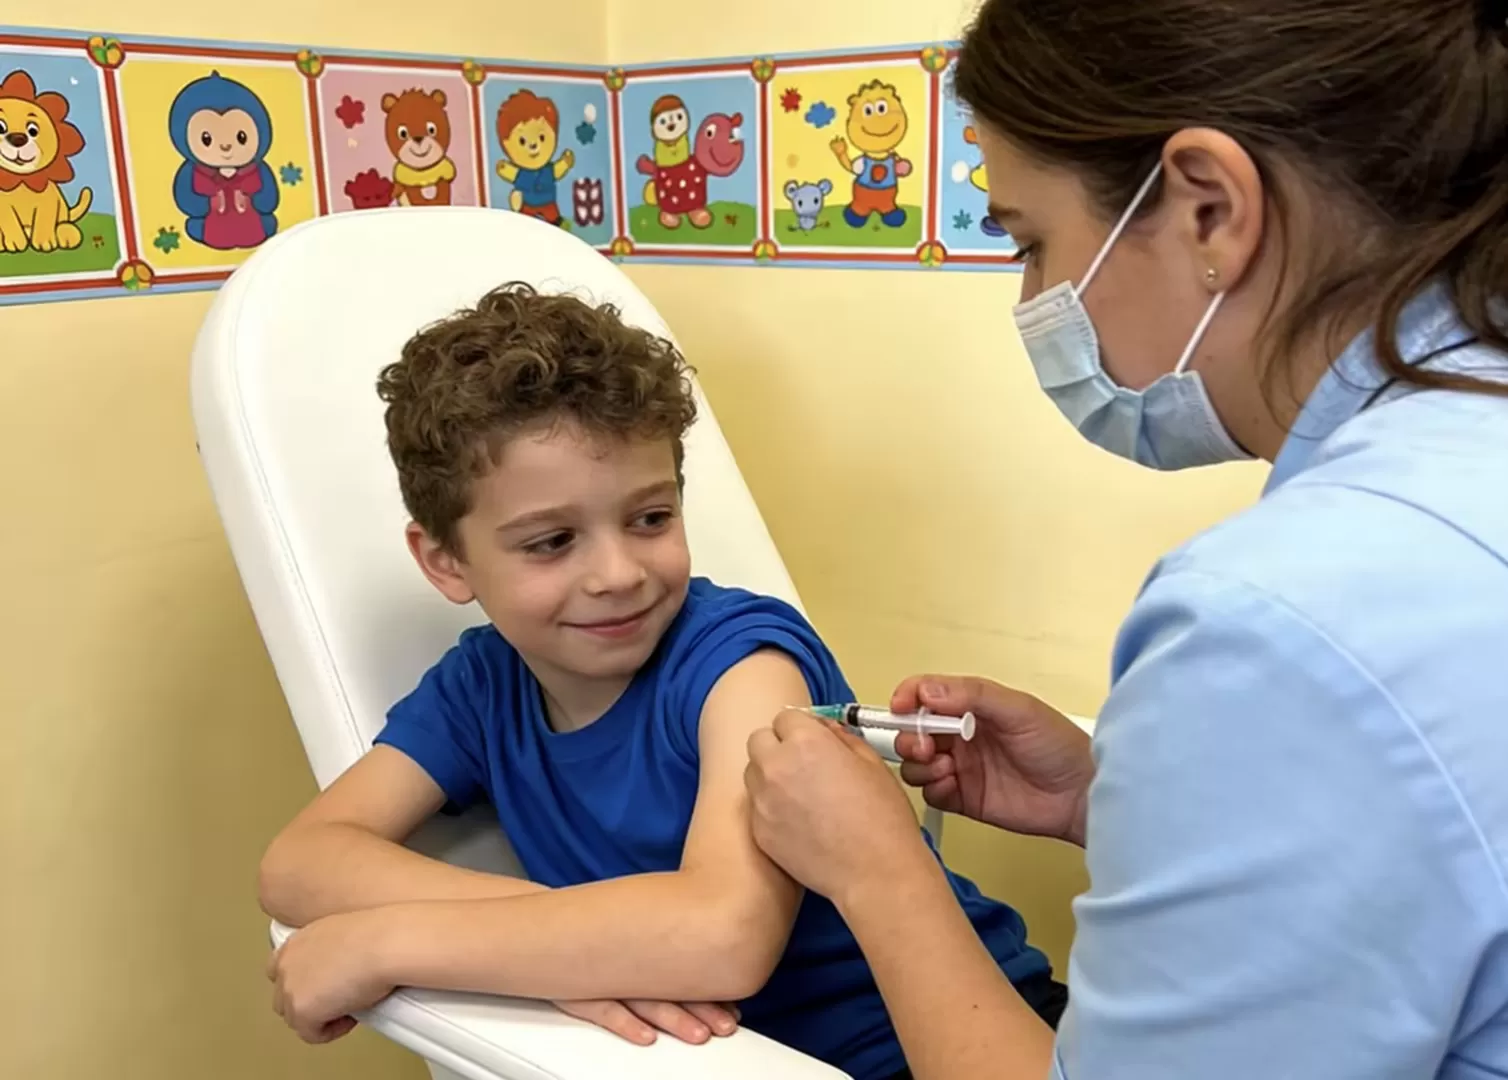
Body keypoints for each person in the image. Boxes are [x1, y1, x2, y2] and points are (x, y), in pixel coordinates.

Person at [742, 1, 1508, 1078]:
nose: (1031, 298)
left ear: (1209, 210)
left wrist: (877, 870)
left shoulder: (1282, 623)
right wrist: (1121, 805)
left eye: (1030, 241)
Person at [258, 282, 1064, 1079]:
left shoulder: (741, 662)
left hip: (972, 1043)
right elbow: (298, 864)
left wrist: (390, 940)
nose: (618, 574)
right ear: (445, 562)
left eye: (650, 519)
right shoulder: (479, 686)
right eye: (551, 541)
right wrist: (580, 948)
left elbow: (725, 938)